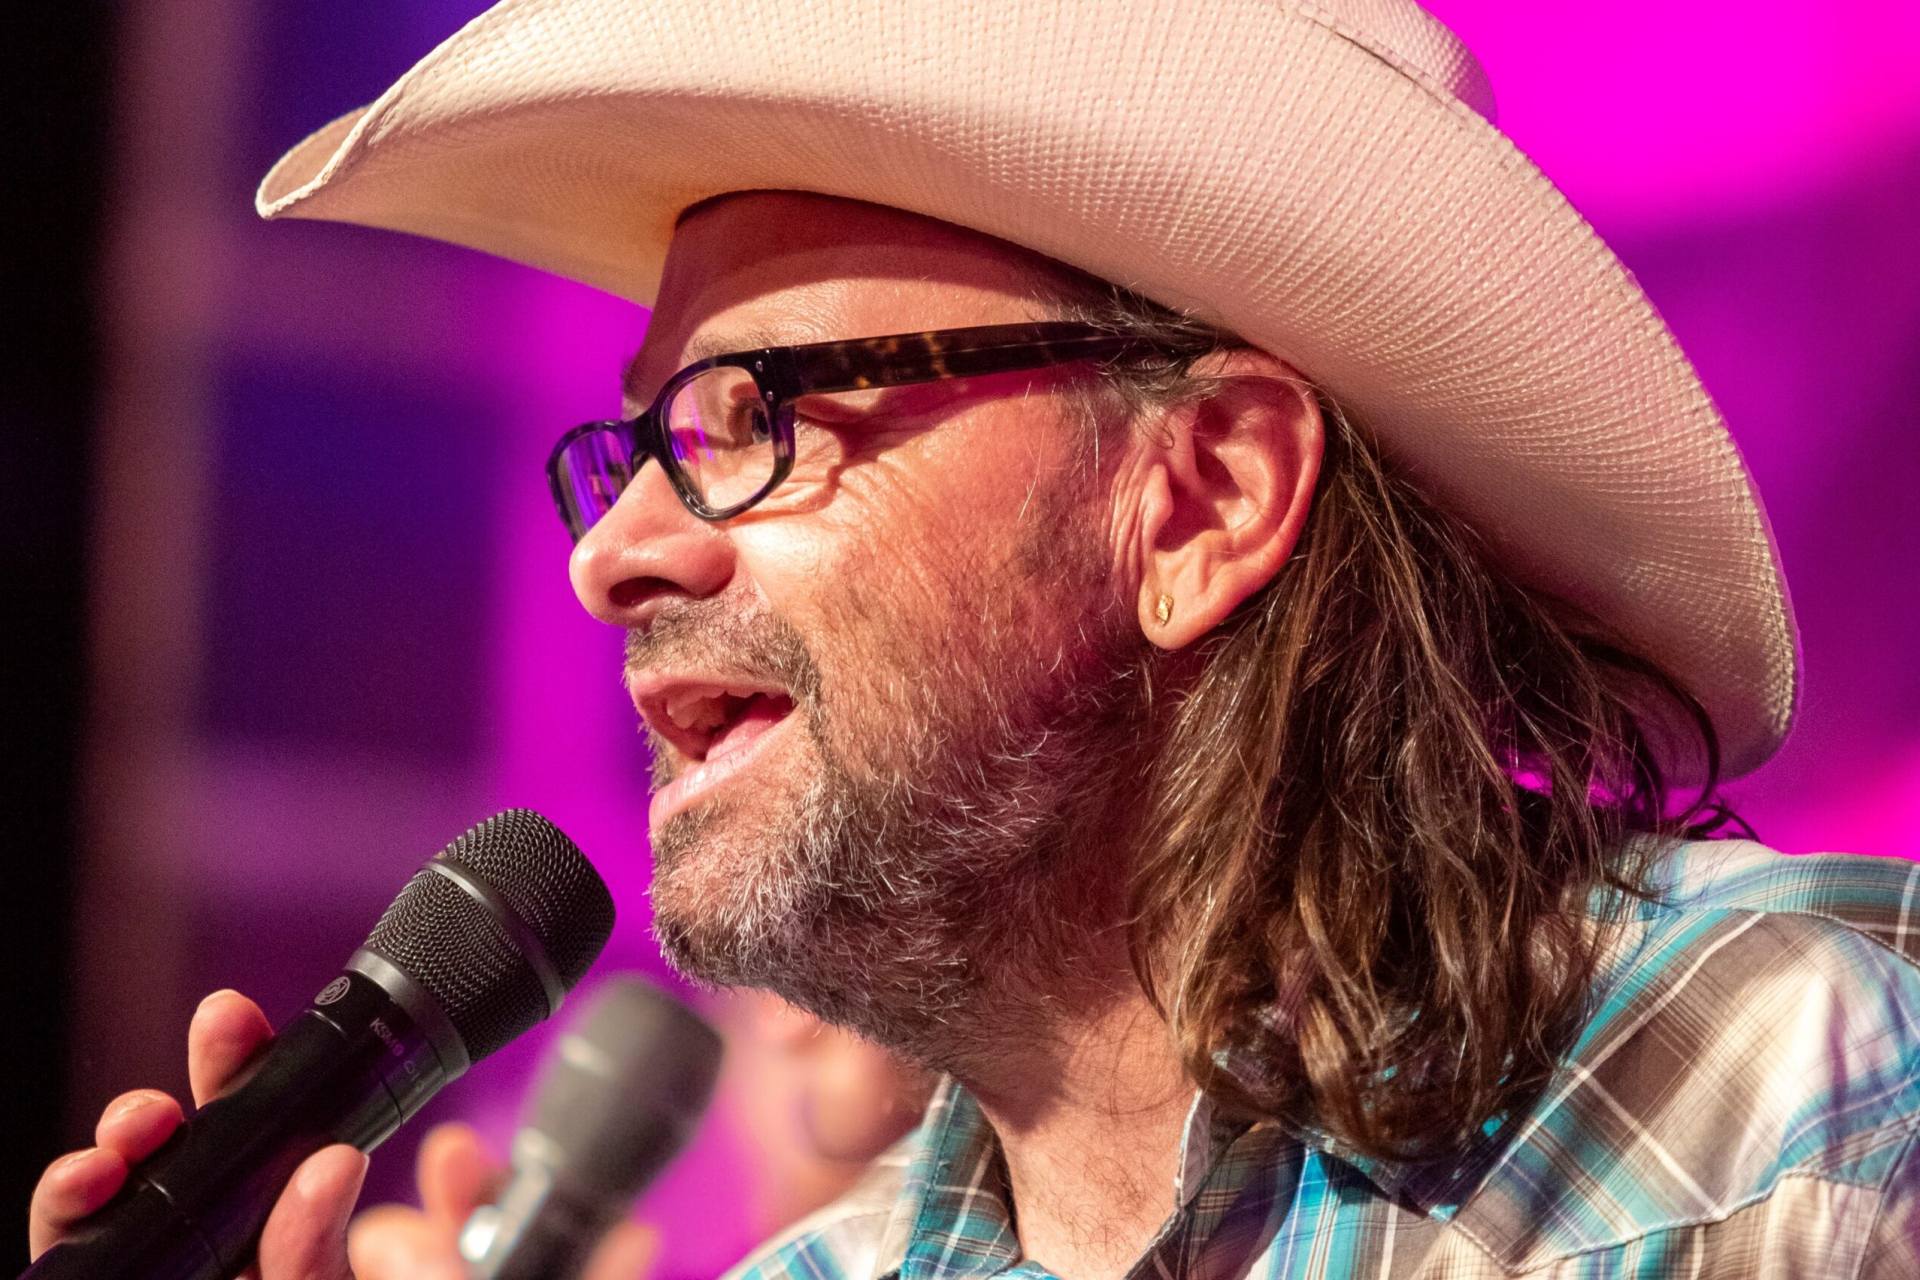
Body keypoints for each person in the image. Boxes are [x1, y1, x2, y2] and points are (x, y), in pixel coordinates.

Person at [30, 1, 1920, 1276]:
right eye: (641, 442)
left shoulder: (1802, 1095)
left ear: (1201, 500)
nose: (612, 553)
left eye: (751, 418)